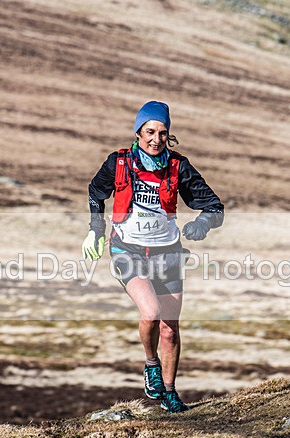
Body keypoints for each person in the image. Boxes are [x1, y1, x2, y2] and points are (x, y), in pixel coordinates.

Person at [82, 100, 224, 413]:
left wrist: (202, 223)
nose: (156, 139)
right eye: (149, 131)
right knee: (151, 312)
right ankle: (151, 364)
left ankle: (170, 394)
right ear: (137, 132)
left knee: (170, 330)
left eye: (162, 132)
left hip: (168, 254)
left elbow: (215, 207)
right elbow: (96, 192)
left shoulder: (178, 167)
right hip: (127, 250)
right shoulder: (118, 163)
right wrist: (96, 229)